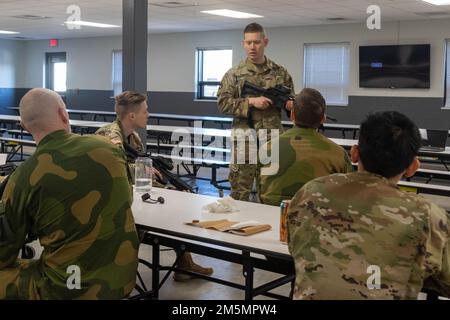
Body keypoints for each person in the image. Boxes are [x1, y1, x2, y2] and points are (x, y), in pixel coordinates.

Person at [287, 111, 450, 300]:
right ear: (413, 167)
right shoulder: (427, 215)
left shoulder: (310, 192)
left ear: (354, 153)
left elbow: (295, 248)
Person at [0, 88, 139, 299]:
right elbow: (127, 197)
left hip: (67, 289)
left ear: (24, 126)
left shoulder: (23, 176)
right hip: (123, 280)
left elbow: (3, 253)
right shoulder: (109, 148)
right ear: (64, 114)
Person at [96, 91, 213, 282]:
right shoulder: (109, 136)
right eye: (145, 111)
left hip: (128, 195)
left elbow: (141, 174)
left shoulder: (132, 138)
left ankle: (184, 264)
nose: (148, 114)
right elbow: (116, 172)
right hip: (108, 202)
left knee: (176, 208)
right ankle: (119, 272)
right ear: (132, 115)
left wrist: (169, 189)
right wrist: (142, 171)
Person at [217, 22, 294, 201]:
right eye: (248, 42)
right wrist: (251, 102)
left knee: (271, 188)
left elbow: (291, 100)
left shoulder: (280, 73)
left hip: (272, 136)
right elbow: (223, 104)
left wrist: (290, 105)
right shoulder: (234, 74)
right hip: (244, 138)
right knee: (240, 191)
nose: (252, 47)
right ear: (243, 43)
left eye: (257, 42)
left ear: (265, 42)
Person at [259, 88, 353, 206]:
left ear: (292, 115)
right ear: (323, 118)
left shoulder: (268, 148)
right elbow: (346, 194)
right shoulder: (338, 153)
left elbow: (261, 191)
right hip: (316, 219)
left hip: (273, 216)